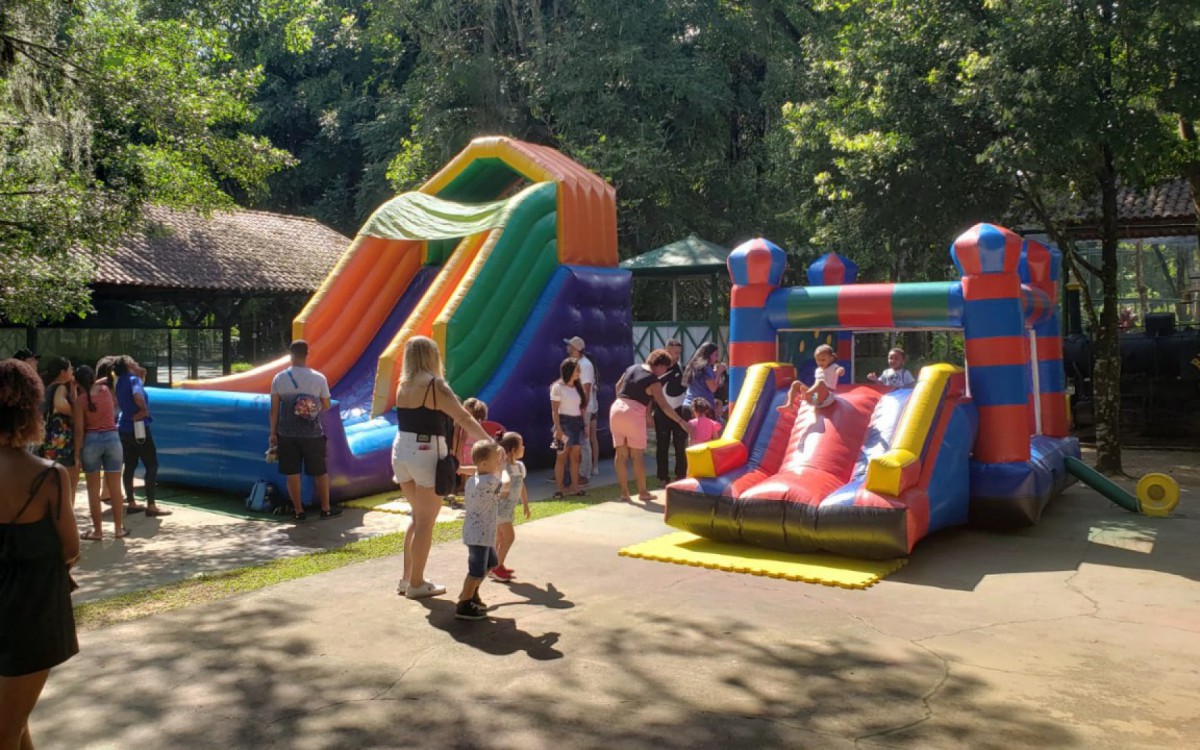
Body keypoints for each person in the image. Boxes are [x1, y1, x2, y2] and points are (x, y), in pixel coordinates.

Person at [0, 358, 80, 750]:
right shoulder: (50, 476)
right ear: (31, 409)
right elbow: (71, 549)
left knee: (15, 724)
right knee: (8, 728)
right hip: (33, 618)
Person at [391, 336, 490, 600]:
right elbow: (463, 417)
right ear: (432, 357)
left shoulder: (404, 385)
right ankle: (417, 583)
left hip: (401, 450)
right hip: (427, 452)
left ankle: (407, 578)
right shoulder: (434, 385)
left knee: (417, 517)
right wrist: (489, 442)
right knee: (425, 521)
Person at [269, 341, 340, 522]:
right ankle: (325, 509)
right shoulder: (318, 378)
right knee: (319, 472)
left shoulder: (279, 378)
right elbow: (326, 405)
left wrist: (272, 433)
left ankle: (298, 511)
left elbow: (274, 410)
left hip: (286, 433)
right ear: (307, 354)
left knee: (292, 473)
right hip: (312, 433)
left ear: (290, 354)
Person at [611, 349, 692, 504]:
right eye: (665, 368)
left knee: (620, 455)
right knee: (637, 455)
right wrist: (681, 422)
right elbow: (664, 406)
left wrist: (622, 403)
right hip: (633, 413)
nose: (665, 372)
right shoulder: (653, 380)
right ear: (660, 366)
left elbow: (618, 386)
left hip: (616, 409)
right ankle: (642, 492)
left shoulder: (633, 368)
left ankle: (624, 493)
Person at [113, 356, 172, 519]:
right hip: (138, 426)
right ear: (128, 365)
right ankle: (151, 505)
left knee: (130, 464)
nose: (137, 362)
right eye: (134, 361)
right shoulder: (134, 380)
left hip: (124, 427)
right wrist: (143, 410)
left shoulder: (120, 381)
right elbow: (138, 395)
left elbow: (121, 400)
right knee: (151, 464)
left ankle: (131, 502)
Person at [454, 439, 506, 621]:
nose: (499, 462)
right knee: (476, 570)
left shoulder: (473, 479)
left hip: (479, 533)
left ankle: (472, 593)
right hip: (480, 535)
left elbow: (475, 470)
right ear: (484, 463)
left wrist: (499, 460)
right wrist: (507, 467)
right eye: (496, 459)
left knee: (491, 563)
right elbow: (505, 486)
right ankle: (464, 603)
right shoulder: (491, 482)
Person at [75, 364, 129, 539]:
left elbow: (79, 430)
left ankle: (97, 531)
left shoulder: (80, 401)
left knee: (93, 489)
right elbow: (104, 382)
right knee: (115, 487)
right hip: (112, 439)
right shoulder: (105, 391)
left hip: (91, 441)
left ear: (78, 383)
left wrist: (77, 454)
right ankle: (118, 529)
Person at [491, 432, 530, 582]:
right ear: (513, 450)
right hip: (500, 508)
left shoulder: (519, 467)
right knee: (509, 537)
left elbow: (521, 486)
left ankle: (495, 565)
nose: (524, 447)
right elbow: (496, 486)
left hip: (508, 509)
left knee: (501, 537)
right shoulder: (502, 467)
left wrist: (526, 504)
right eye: (521, 445)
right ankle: (496, 567)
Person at [39, 357, 81, 493]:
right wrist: (75, 414)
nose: (72, 370)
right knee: (68, 484)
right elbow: (60, 404)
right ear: (63, 372)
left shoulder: (49, 387)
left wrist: (73, 389)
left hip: (50, 443)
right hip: (62, 443)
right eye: (70, 368)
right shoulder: (60, 387)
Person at [550, 358, 587, 499]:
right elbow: (554, 410)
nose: (579, 372)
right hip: (564, 423)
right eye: (577, 369)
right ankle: (560, 488)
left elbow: (581, 407)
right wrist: (558, 428)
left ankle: (574, 487)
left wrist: (585, 426)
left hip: (577, 423)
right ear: (569, 370)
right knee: (561, 457)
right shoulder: (558, 387)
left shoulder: (578, 387)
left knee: (575, 457)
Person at [653, 339, 689, 485]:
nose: (677, 355)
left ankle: (680, 475)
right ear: (666, 351)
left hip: (679, 412)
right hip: (661, 413)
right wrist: (648, 413)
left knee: (680, 445)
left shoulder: (682, 369)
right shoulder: (658, 369)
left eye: (679, 352)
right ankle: (662, 476)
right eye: (674, 352)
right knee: (662, 445)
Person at [565, 336, 599, 481]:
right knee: (576, 439)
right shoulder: (575, 363)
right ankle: (574, 471)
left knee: (584, 440)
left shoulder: (584, 365)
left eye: (570, 346)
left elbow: (586, 388)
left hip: (582, 408)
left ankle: (584, 473)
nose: (567, 348)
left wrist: (582, 408)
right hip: (575, 407)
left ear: (576, 349)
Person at [782, 344, 845, 411]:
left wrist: (840, 371)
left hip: (826, 398)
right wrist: (812, 394)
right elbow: (816, 386)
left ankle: (807, 394)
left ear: (831, 358)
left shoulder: (833, 367)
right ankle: (789, 405)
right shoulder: (818, 370)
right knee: (795, 383)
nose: (820, 362)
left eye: (823, 360)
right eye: (818, 360)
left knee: (820, 382)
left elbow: (839, 368)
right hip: (815, 397)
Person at [682, 342, 727, 409]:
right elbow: (713, 388)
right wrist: (718, 373)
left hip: (687, 404)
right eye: (715, 355)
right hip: (701, 408)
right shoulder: (706, 367)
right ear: (709, 354)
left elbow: (703, 382)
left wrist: (714, 373)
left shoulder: (693, 365)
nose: (716, 358)